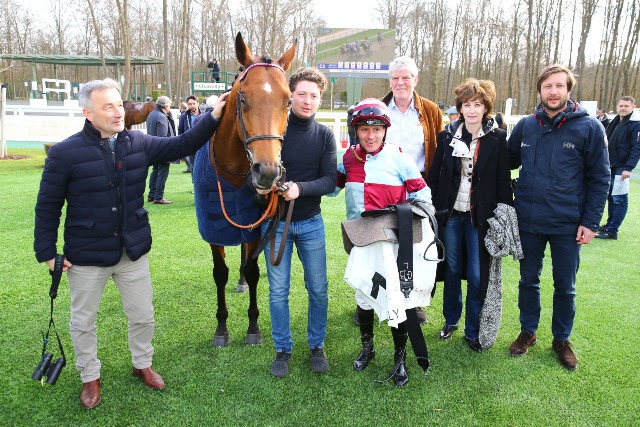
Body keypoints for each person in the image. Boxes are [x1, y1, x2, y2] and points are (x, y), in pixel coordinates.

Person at [33, 78, 227, 409]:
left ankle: (142, 364)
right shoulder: (64, 153)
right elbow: (47, 205)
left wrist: (213, 117)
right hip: (86, 255)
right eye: (107, 107)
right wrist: (47, 253)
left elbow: (182, 144)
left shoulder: (138, 142)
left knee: (143, 315)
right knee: (83, 322)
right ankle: (89, 377)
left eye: (119, 104)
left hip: (132, 250)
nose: (118, 112)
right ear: (88, 113)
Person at [507, 64, 610, 370]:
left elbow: (600, 178)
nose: (553, 92)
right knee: (528, 280)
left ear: (568, 89)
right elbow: (505, 161)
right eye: (547, 86)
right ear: (540, 90)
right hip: (529, 220)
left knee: (565, 285)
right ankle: (528, 331)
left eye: (559, 86)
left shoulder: (589, 127)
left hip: (568, 224)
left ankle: (561, 339)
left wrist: (590, 222)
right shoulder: (526, 125)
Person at [332, 98, 433, 386]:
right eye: (365, 129)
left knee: (396, 300)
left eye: (376, 129)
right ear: (356, 130)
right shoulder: (348, 158)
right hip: (361, 239)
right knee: (363, 296)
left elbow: (423, 195)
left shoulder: (398, 157)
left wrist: (404, 212)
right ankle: (368, 349)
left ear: (385, 131)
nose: (371, 135)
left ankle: (400, 359)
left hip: (391, 242)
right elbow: (330, 188)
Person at [257, 67, 337, 378]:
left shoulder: (325, 135)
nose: (307, 100)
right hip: (276, 224)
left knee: (318, 289)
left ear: (320, 99)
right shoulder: (275, 130)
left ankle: (317, 345)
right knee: (278, 291)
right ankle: (283, 349)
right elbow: (257, 169)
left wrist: (299, 188)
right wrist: (261, 186)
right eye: (301, 94)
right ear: (291, 96)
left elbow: (329, 180)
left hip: (311, 224)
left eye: (313, 95)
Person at [427, 79, 513, 351]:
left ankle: (473, 330)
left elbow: (503, 181)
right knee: (452, 270)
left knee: (477, 275)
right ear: (460, 107)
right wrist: (432, 208)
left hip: (481, 219)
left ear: (486, 107)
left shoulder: (497, 138)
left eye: (477, 104)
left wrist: (503, 216)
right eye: (467, 104)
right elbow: (435, 176)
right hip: (452, 217)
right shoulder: (446, 136)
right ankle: (451, 320)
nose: (472, 110)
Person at [377, 55, 443, 324]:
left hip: (417, 192)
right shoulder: (378, 108)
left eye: (406, 77)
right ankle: (371, 301)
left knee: (415, 248)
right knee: (381, 246)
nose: (400, 82)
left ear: (416, 79)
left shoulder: (431, 111)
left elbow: (438, 151)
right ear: (390, 81)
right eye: (395, 78)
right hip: (383, 190)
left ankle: (411, 303)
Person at [595, 96, 640, 240]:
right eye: (621, 106)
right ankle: (609, 225)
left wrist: (629, 167)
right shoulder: (616, 121)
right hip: (611, 164)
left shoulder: (636, 124)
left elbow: (637, 147)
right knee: (611, 197)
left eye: (626, 106)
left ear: (633, 106)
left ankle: (613, 230)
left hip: (622, 167)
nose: (623, 108)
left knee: (619, 198)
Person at [147, 96, 176, 204]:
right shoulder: (162, 117)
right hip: (162, 149)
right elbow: (162, 137)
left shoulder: (151, 114)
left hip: (153, 148)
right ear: (166, 105)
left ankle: (152, 195)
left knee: (155, 171)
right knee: (162, 172)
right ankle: (158, 197)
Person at [178, 95, 201, 173]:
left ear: (198, 103)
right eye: (190, 104)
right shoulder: (184, 116)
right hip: (191, 145)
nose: (192, 106)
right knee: (193, 167)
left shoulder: (204, 115)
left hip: (203, 145)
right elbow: (180, 130)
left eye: (194, 103)